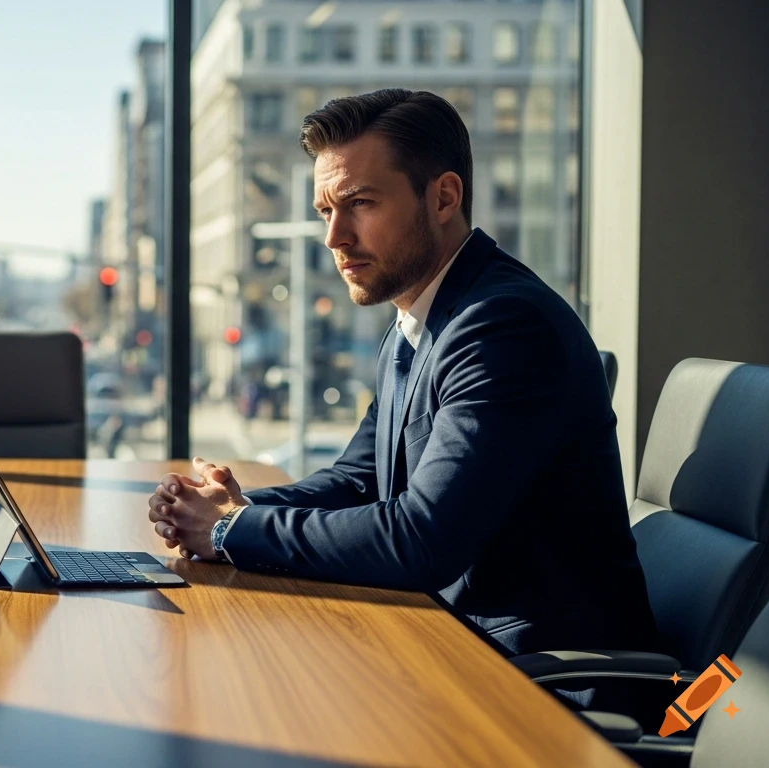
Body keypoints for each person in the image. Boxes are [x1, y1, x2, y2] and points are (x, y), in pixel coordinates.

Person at [146, 89, 658, 707]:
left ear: (443, 197)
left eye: (359, 204)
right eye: (324, 210)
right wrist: (228, 507)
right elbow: (360, 479)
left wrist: (232, 531)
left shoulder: (501, 325)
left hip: (549, 684)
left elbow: (422, 541)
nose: (334, 236)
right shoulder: (421, 318)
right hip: (457, 648)